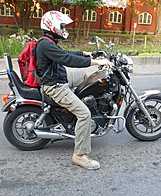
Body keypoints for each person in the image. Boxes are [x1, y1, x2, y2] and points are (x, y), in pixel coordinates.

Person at [36, 11, 112, 170]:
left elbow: (64, 54)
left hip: (60, 77)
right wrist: (94, 61)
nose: (64, 28)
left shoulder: (48, 42)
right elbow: (67, 59)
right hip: (55, 86)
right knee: (84, 114)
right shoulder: (45, 44)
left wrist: (84, 53)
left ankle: (91, 101)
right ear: (53, 25)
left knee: (88, 74)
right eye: (62, 25)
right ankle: (80, 155)